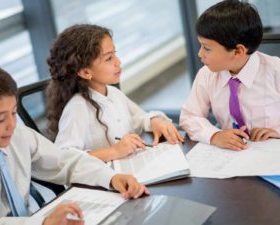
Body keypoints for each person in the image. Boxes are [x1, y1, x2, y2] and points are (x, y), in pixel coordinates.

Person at [0, 59, 149, 225]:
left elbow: (64, 162)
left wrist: (111, 178)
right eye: (0, 119)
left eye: (14, 112)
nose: (11, 124)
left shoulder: (17, 135)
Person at [179, 0, 280, 151]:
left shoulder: (279, 71)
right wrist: (214, 135)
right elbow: (189, 116)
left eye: (207, 48)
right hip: (231, 154)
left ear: (238, 51)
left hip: (276, 151)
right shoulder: (206, 75)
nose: (200, 54)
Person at [46, 24, 184, 162]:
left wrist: (155, 121)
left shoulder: (113, 93)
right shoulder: (78, 107)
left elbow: (139, 118)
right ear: (85, 72)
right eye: (108, 58)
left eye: (114, 54)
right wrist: (113, 151)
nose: (118, 62)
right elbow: (63, 159)